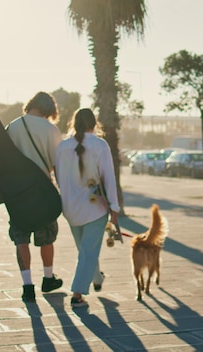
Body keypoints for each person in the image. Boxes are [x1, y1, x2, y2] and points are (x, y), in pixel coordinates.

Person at [55, 108, 120, 308]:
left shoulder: (63, 146)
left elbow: (58, 177)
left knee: (85, 250)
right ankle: (77, 294)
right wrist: (114, 209)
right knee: (88, 252)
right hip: (95, 208)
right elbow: (109, 177)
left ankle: (97, 278)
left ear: (73, 123)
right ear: (94, 124)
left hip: (70, 209)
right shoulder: (100, 145)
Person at [6, 91, 63, 303]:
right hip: (42, 191)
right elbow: (58, 164)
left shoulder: (12, 126)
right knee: (46, 237)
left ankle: (27, 286)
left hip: (17, 192)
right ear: (49, 110)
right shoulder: (51, 129)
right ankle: (48, 278)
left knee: (21, 239)